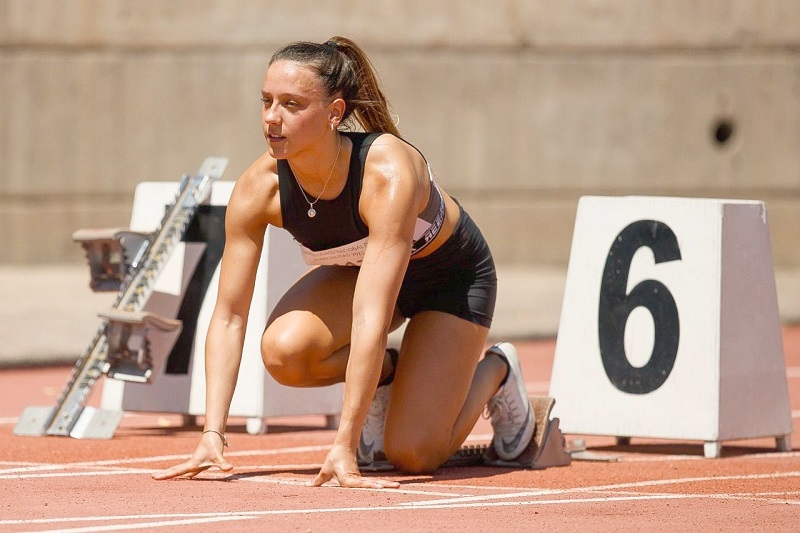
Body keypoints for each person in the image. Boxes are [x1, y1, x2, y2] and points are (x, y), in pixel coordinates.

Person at [152, 36, 535, 489]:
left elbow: (371, 316)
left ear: (335, 113)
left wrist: (344, 445)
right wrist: (212, 434)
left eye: (292, 104)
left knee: (413, 454)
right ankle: (392, 375)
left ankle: (496, 369)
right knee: (283, 354)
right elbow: (230, 316)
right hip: (362, 274)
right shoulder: (261, 189)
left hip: (449, 281)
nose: (272, 118)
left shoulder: (387, 171)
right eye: (267, 101)